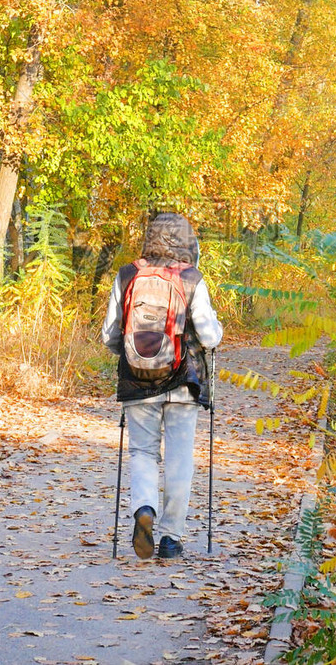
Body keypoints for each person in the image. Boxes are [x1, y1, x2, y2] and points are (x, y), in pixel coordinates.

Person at [101, 212, 223, 559]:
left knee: (142, 453)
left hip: (139, 381)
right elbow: (209, 336)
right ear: (186, 241)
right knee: (179, 459)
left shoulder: (127, 275)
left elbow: (110, 334)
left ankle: (144, 511)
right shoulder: (191, 278)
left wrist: (133, 354)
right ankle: (171, 538)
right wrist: (217, 331)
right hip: (184, 381)